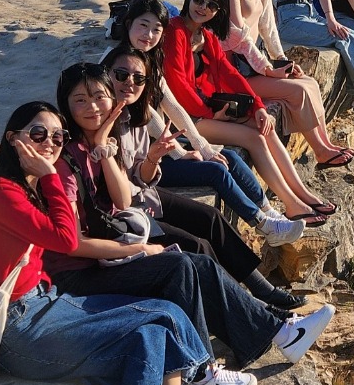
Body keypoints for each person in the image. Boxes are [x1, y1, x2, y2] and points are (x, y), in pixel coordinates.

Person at [0, 101, 234, 385]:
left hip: (47, 302)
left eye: (58, 136)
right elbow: (65, 239)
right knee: (144, 330)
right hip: (16, 330)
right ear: (12, 139)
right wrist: (50, 176)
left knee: (156, 320)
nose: (50, 143)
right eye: (38, 134)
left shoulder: (22, 188)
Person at [48, 64, 336, 384]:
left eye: (99, 96)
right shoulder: (65, 161)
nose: (92, 107)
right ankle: (202, 372)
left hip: (110, 246)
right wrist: (142, 249)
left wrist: (105, 149)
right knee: (181, 265)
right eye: (80, 100)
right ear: (65, 105)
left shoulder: (101, 143)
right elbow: (71, 243)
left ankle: (279, 333)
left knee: (198, 259)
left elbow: (123, 201)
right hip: (81, 272)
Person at [100, 47, 308, 311]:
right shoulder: (102, 119)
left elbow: (145, 169)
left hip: (143, 191)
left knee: (211, 217)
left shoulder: (135, 112)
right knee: (197, 244)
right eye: (121, 75)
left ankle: (262, 289)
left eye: (139, 78)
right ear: (106, 74)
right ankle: (250, 307)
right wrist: (178, 154)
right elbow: (121, 196)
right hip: (125, 209)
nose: (130, 82)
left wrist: (154, 158)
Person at [110, 0, 304, 246]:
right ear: (129, 24)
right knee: (215, 171)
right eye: (143, 26)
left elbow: (173, 107)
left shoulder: (149, 61)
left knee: (228, 157)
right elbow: (147, 116)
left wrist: (202, 146)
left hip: (157, 147)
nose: (149, 35)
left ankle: (269, 211)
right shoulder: (117, 65)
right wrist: (181, 154)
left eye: (156, 29)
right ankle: (263, 225)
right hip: (139, 162)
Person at [161, 0, 337, 226]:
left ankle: (301, 194)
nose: (203, 7)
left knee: (265, 127)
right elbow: (177, 83)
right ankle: (292, 204)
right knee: (254, 138)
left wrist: (258, 107)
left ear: (218, 11)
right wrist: (210, 113)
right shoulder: (175, 31)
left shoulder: (206, 36)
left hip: (206, 110)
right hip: (184, 118)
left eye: (212, 5)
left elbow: (230, 74)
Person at [215, 0, 353, 168]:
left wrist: (283, 61)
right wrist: (269, 69)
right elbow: (241, 38)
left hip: (253, 64)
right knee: (297, 91)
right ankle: (321, 151)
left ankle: (327, 144)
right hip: (234, 71)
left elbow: (268, 27)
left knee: (309, 83)